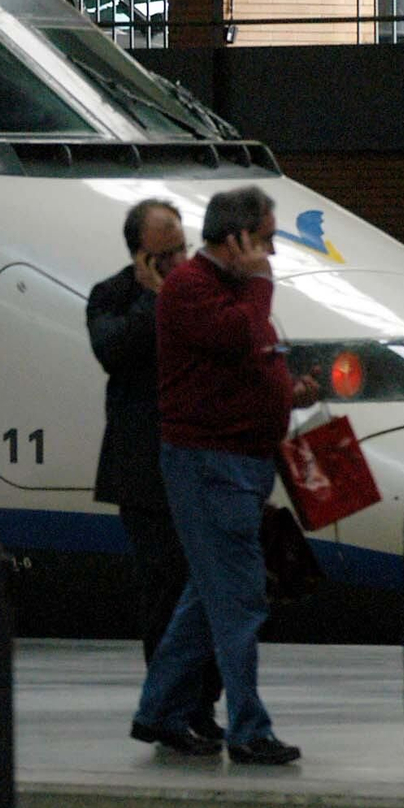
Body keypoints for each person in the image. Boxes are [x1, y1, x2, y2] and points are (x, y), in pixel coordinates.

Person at [131, 185, 318, 766]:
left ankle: (158, 712)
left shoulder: (230, 292)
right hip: (208, 467)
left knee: (204, 600)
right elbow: (238, 335)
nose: (271, 254)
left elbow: (243, 358)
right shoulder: (190, 289)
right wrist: (259, 280)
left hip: (239, 464)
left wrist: (285, 391)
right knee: (239, 599)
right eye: (263, 240)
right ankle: (248, 728)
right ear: (235, 237)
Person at [87, 199, 223, 737]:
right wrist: (153, 300)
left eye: (183, 248)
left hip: (200, 465)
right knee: (163, 595)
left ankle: (202, 707)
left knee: (205, 594)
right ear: (142, 257)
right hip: (145, 477)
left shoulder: (201, 290)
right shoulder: (113, 297)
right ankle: (168, 709)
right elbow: (112, 351)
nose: (180, 261)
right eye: (166, 255)